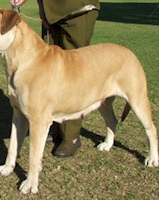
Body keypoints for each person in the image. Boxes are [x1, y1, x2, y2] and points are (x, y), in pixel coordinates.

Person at [9, 0, 100, 158]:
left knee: (73, 73)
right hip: (51, 12)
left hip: (77, 8)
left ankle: (71, 136)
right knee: (49, 72)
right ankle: (57, 129)